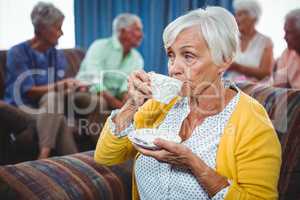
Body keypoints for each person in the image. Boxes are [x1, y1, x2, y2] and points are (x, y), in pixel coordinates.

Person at [94, 7, 281, 200]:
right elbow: (105, 157)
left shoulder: (251, 120)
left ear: (224, 60)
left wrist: (195, 165)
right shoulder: (160, 104)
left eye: (188, 56)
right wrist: (131, 105)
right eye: (171, 55)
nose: (174, 69)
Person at [3, 2, 81, 159]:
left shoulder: (56, 55)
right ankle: (73, 163)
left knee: (56, 111)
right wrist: (61, 85)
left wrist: (73, 87)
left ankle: (47, 158)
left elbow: (59, 87)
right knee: (54, 104)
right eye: (58, 28)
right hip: (22, 107)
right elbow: (29, 92)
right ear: (43, 29)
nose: (62, 33)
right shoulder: (17, 53)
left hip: (49, 109)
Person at [76, 13, 144, 110]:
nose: (141, 35)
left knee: (141, 103)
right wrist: (116, 104)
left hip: (115, 97)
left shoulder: (137, 58)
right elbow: (94, 80)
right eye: (138, 29)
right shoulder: (99, 46)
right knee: (100, 103)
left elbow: (127, 87)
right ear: (123, 31)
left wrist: (127, 102)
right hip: (87, 90)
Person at [225, 0, 273, 82]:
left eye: (240, 15)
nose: (236, 19)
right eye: (235, 15)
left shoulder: (266, 42)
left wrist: (237, 67)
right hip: (232, 88)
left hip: (256, 90)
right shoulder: (231, 39)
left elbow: (266, 73)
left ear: (253, 17)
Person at [271, 8, 300, 89]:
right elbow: (279, 87)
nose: (284, 37)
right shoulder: (286, 54)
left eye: (289, 32)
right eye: (285, 32)